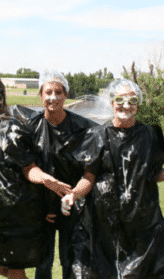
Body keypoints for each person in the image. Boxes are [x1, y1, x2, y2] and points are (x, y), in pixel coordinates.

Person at [62, 78, 164, 278]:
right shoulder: (97, 135)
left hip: (142, 226)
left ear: (138, 105)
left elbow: (151, 176)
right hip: (104, 227)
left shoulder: (150, 136)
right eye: (120, 100)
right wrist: (72, 195)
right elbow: (88, 179)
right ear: (111, 103)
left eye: (132, 100)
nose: (126, 106)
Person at [0, 76, 71, 279]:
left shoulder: (11, 128)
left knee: (16, 271)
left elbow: (29, 168)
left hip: (17, 215)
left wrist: (45, 179)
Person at [26, 70, 97, 279]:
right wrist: (47, 181)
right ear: (40, 95)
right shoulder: (30, 127)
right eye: (48, 92)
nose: (53, 97)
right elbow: (26, 167)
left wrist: (72, 195)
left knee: (72, 263)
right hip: (41, 209)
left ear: (66, 95)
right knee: (42, 264)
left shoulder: (84, 129)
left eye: (59, 92)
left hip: (74, 208)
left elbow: (90, 174)